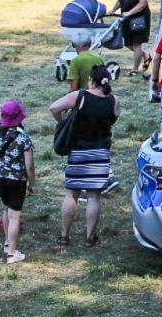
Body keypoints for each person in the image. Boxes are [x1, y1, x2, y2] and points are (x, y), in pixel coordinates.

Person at [50, 64, 119, 248]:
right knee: (94, 197)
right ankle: (90, 237)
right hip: (100, 152)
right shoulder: (114, 101)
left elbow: (54, 108)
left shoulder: (80, 96)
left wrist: (63, 122)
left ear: (91, 80)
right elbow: (113, 118)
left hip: (78, 150)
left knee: (71, 194)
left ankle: (64, 236)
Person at [0, 101, 36, 264]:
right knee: (15, 216)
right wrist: (32, 183)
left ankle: (8, 243)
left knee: (6, 210)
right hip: (17, 180)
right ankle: (12, 254)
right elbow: (29, 165)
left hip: (0, 179)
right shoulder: (23, 138)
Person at [108, 0, 153, 77]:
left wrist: (130, 13)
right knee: (127, 43)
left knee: (136, 43)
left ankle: (135, 69)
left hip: (139, 19)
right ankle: (145, 55)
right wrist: (113, 9)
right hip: (126, 18)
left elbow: (142, 4)